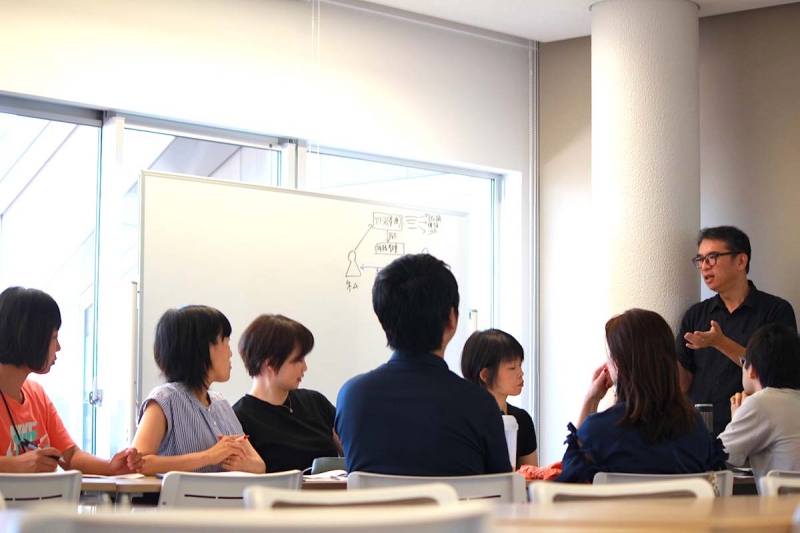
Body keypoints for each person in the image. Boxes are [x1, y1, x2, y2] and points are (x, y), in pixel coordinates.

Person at [335, 253, 511, 475]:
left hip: (377, 501)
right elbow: (502, 488)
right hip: (457, 501)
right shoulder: (480, 405)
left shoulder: (353, 397)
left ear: (383, 320)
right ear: (451, 319)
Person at [557, 308, 727, 483]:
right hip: (682, 503)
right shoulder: (696, 429)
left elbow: (569, 481)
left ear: (618, 364)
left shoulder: (597, 431)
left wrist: (591, 399)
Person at [0, 286, 143, 474]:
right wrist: (17, 465)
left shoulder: (36, 394)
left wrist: (110, 466)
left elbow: (70, 456)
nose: (58, 347)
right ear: (30, 337)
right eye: (54, 337)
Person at [676, 226, 796, 436]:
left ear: (741, 261)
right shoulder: (696, 314)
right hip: (697, 431)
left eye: (712, 257)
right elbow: (683, 383)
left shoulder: (775, 311)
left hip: (753, 431)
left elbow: (777, 375)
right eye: (701, 259)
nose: (704, 266)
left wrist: (720, 342)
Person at [132, 305, 265, 475]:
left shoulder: (221, 403)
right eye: (226, 341)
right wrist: (208, 457)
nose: (231, 353)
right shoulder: (164, 399)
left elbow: (260, 465)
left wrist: (243, 464)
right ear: (203, 348)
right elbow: (139, 463)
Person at [233, 314, 341, 472]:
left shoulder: (315, 402)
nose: (305, 367)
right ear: (270, 363)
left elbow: (353, 451)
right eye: (298, 360)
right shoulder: (239, 419)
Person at [718, 324, 800, 480]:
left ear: (752, 370)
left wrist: (737, 418)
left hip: (784, 497)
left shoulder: (760, 403)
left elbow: (718, 455)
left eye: (743, 361)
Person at [461, 329, 538, 467]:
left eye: (520, 365)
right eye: (512, 367)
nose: (521, 373)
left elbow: (531, 474)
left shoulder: (521, 419)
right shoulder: (464, 420)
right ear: (485, 375)